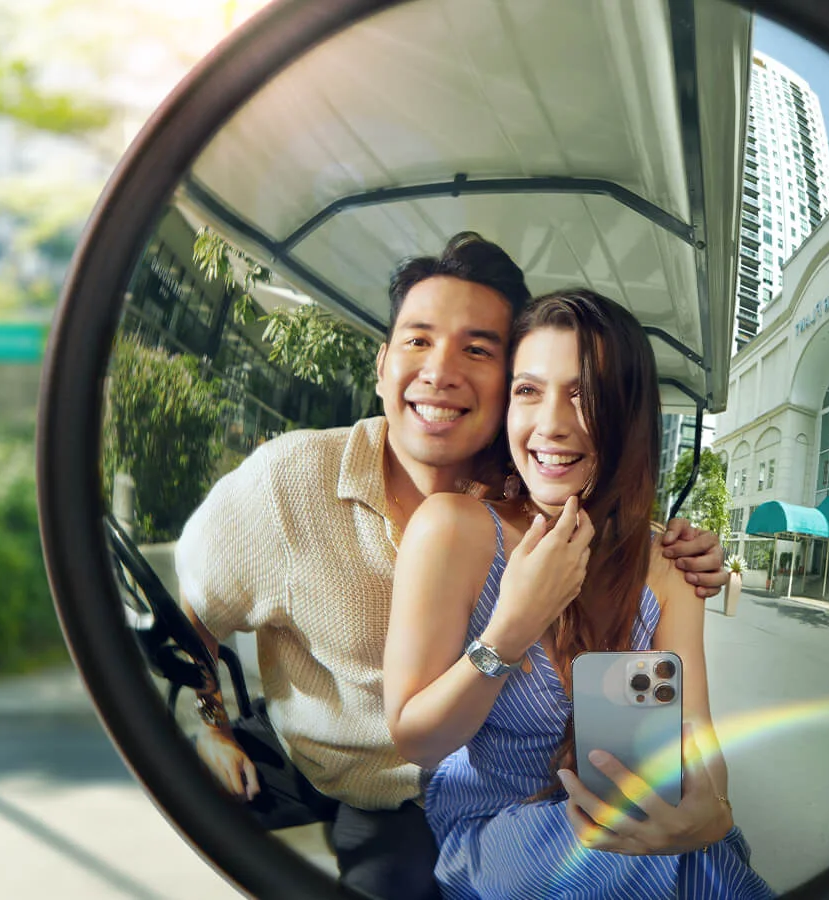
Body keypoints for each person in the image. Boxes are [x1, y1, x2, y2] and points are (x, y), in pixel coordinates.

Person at [174, 234, 731, 900]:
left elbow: (687, 730)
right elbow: (194, 620)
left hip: (513, 805)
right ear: (381, 365)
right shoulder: (289, 482)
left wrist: (710, 806)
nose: (440, 372)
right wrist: (205, 726)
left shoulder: (542, 495)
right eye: (417, 341)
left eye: (476, 349)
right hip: (360, 784)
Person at [383, 288, 775, 899]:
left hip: (628, 812)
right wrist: (513, 627)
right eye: (528, 390)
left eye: (584, 395)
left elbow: (693, 733)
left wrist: (710, 808)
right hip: (495, 823)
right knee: (630, 863)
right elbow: (416, 737)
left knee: (701, 858)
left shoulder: (667, 565)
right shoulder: (454, 531)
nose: (552, 424)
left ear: (627, 416)